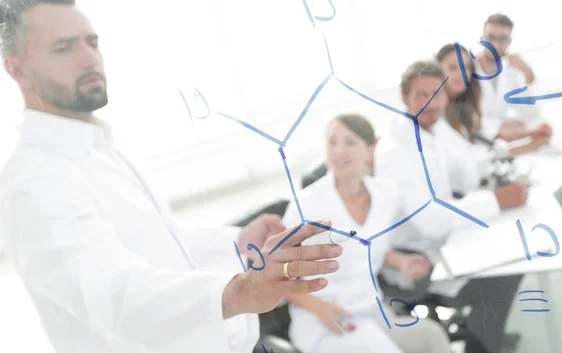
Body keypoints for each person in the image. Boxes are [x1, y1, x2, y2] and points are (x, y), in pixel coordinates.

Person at [0, 1, 344, 353]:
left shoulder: (104, 149)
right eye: (64, 47)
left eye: (91, 42)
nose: (89, 58)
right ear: (18, 71)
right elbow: (115, 296)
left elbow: (162, 242)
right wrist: (242, 290)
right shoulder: (33, 185)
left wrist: (239, 241)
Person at [374, 60, 526, 353]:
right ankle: (481, 346)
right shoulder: (395, 152)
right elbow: (431, 221)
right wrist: (496, 200)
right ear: (404, 97)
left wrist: (497, 174)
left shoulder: (433, 127)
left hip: (444, 240)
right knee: (502, 276)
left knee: (510, 250)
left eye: (437, 94)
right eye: (421, 95)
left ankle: (487, 336)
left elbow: (466, 171)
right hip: (414, 261)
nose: (431, 102)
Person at [281, 114, 451, 353]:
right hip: (326, 323)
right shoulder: (306, 205)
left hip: (372, 313)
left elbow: (367, 249)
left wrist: (401, 261)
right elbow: (275, 274)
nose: (339, 151)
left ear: (370, 149)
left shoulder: (386, 195)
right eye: (332, 142)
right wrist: (320, 308)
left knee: (431, 336)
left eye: (350, 143)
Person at [436, 43, 552, 156]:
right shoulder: (436, 112)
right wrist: (530, 147)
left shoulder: (462, 105)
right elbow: (471, 158)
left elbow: (488, 136)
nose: (462, 73)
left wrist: (533, 132)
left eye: (466, 67)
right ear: (437, 69)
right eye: (453, 67)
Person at [476, 13, 550, 136]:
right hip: (474, 138)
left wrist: (527, 71)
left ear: (509, 42)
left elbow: (531, 113)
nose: (495, 45)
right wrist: (499, 125)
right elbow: (462, 117)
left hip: (499, 135)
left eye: (502, 39)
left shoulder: (511, 71)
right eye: (490, 37)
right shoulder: (467, 68)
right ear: (481, 39)